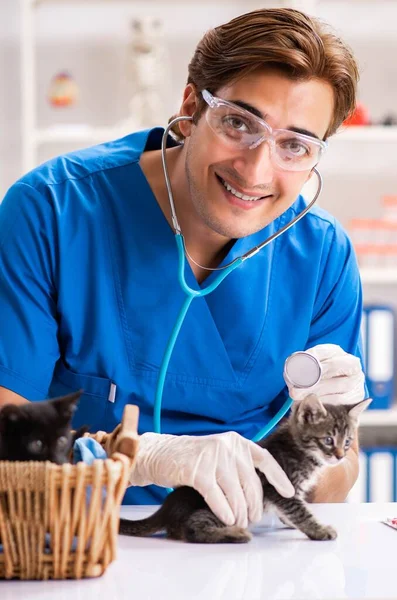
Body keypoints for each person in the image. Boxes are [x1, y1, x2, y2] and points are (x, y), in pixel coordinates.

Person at [0, 8, 366, 529]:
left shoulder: (323, 255)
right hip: (78, 537)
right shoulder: (50, 212)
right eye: (239, 123)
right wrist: (136, 457)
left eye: (295, 146)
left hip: (245, 545)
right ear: (192, 106)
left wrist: (323, 456)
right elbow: (6, 432)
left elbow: (340, 476)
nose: (256, 170)